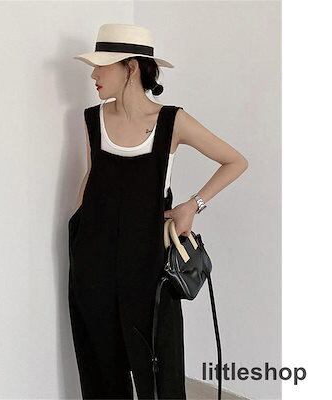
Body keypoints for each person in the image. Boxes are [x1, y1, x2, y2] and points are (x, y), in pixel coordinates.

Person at [69, 23, 248, 399]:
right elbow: (92, 176)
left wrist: (193, 206)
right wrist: (80, 226)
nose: (93, 75)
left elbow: (234, 161)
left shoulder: (172, 122)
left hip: (148, 263)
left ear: (130, 67)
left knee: (158, 361)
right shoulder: (92, 119)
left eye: (102, 66)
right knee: (99, 361)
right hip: (93, 259)